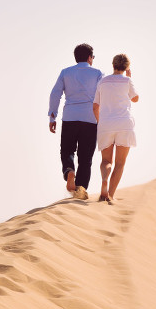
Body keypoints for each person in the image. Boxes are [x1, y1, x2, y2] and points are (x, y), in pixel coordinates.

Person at [48, 43, 103, 200]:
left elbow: (55, 94)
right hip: (90, 118)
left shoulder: (66, 72)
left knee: (67, 150)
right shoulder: (98, 73)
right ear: (89, 57)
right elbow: (103, 95)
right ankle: (80, 189)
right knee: (86, 158)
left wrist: (53, 116)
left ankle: (69, 171)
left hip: (70, 117)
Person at [92, 54, 139, 203]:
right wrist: (129, 77)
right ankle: (109, 195)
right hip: (124, 124)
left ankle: (105, 179)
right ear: (126, 68)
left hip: (106, 124)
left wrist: (101, 122)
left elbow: (95, 106)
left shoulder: (102, 82)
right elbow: (136, 98)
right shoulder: (127, 80)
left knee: (106, 160)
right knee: (120, 163)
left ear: (113, 65)